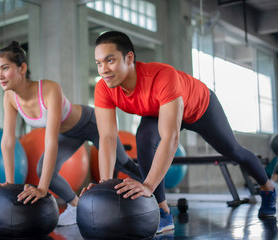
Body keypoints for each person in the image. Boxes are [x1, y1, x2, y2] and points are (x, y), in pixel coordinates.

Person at [91, 31, 276, 233]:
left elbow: (171, 137)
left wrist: (148, 185)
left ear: (129, 58)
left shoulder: (161, 76)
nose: (103, 69)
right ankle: (163, 211)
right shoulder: (104, 89)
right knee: (144, 137)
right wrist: (104, 185)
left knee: (233, 150)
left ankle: (268, 189)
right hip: (158, 111)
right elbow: (108, 137)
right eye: (99, 63)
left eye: (110, 60)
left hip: (200, 108)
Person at [0, 41, 141, 226]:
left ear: (22, 68)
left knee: (122, 162)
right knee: (43, 170)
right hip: (68, 133)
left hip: (91, 122)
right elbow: (8, 141)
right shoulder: (10, 98)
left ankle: (153, 188)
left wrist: (42, 189)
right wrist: (9, 184)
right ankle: (76, 207)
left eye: (5, 68)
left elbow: (51, 141)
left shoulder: (49, 89)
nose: (0, 76)